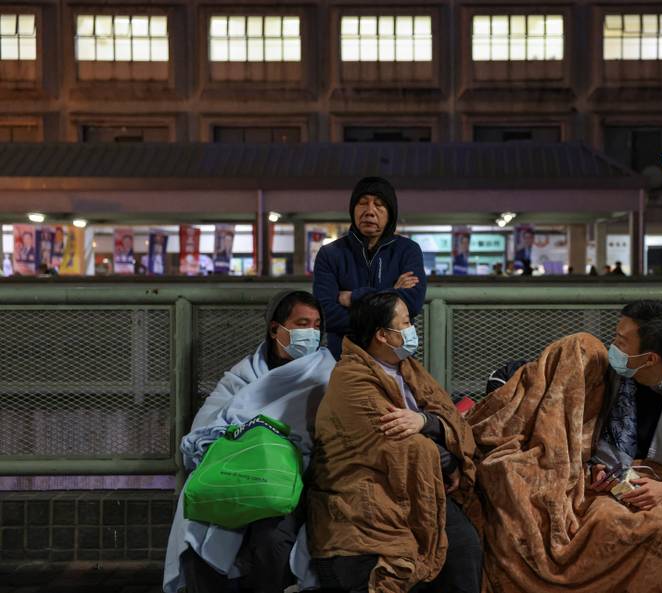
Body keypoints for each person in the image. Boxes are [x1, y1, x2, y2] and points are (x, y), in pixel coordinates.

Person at [467, 300, 662, 593]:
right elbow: (576, 432)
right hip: (614, 487)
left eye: (621, 341)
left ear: (649, 359)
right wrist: (598, 468)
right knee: (597, 525)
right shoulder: (608, 376)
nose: (612, 346)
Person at [163, 290, 336, 593]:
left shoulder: (326, 373)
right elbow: (204, 429)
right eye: (302, 323)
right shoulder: (243, 375)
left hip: (292, 479)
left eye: (316, 325)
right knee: (196, 525)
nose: (311, 332)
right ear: (275, 329)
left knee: (273, 539)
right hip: (237, 472)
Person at [308, 291, 481, 593]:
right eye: (406, 322)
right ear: (383, 336)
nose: (412, 328)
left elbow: (449, 417)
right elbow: (401, 445)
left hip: (422, 480)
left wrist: (426, 423)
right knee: (403, 562)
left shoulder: (409, 369)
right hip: (369, 487)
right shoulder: (351, 380)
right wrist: (448, 459)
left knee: (465, 546)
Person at [313, 177, 427, 359]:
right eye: (362, 203)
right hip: (344, 359)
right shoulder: (330, 254)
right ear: (353, 209)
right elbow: (326, 313)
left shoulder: (407, 250)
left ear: (390, 213)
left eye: (379, 205)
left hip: (394, 359)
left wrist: (354, 297)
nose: (370, 211)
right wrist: (392, 295)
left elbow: (412, 302)